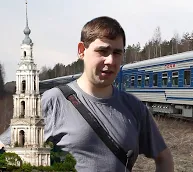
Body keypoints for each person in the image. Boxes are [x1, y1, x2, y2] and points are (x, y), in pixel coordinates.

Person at [41, 16, 174, 172]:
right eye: (102, 51)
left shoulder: (135, 107)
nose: (110, 60)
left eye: (117, 53)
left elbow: (164, 157)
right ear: (82, 51)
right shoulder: (53, 101)